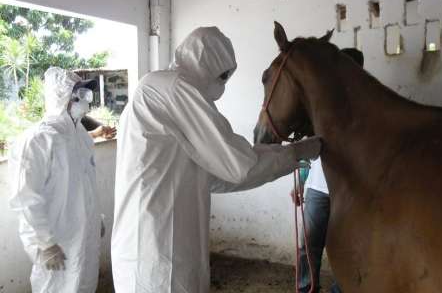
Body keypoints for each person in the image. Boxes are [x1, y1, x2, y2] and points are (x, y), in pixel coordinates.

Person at [111, 26, 322, 293]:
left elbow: (217, 177)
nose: (222, 83)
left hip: (170, 246)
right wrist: (296, 152)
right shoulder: (173, 87)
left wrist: (285, 160)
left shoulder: (171, 93)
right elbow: (239, 166)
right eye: (222, 75)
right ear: (205, 62)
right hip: (152, 249)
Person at [9, 67, 107, 293]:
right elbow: (25, 199)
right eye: (80, 95)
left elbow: (85, 185)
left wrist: (95, 216)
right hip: (58, 244)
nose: (86, 101)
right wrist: (44, 243)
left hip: (83, 238)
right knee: (55, 288)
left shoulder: (81, 137)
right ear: (63, 98)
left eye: (86, 95)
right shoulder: (37, 141)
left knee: (84, 285)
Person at [291, 159, 342, 293]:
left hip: (350, 190)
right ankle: (306, 288)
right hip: (317, 189)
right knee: (308, 243)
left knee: (346, 246)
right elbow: (309, 152)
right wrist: (300, 181)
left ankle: (341, 289)